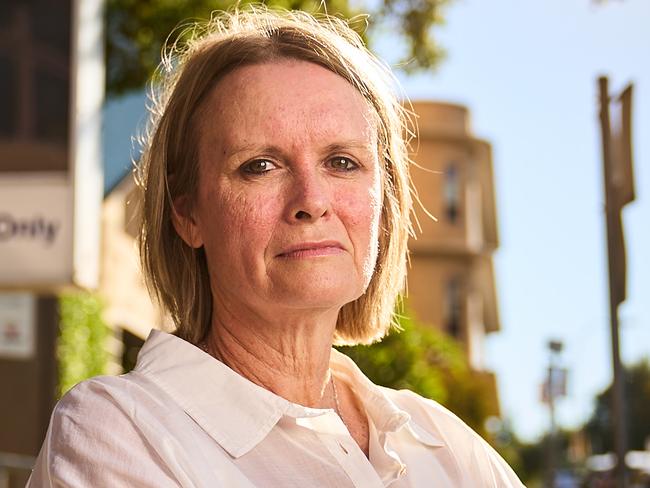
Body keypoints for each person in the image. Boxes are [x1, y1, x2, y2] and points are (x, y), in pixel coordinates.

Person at [28, 8, 524, 487]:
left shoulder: (441, 442)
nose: (311, 201)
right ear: (187, 213)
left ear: (384, 201)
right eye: (260, 165)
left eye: (343, 162)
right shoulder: (121, 431)